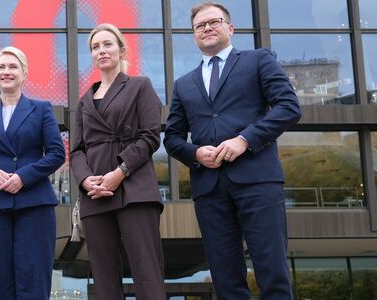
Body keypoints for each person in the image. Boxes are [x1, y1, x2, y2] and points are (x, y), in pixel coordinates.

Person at [164, 2, 301, 299]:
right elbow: (172, 138)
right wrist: (195, 154)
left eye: (214, 22)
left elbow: (289, 107)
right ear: (193, 35)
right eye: (200, 26)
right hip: (210, 190)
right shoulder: (183, 84)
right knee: (225, 279)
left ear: (230, 27)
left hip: (258, 181)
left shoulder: (258, 60)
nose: (207, 28)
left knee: (272, 272)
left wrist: (244, 140)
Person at [69, 23, 166, 299]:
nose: (101, 50)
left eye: (107, 44)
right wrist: (87, 181)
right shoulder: (84, 101)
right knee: (104, 278)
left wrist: (120, 171)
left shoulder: (140, 85)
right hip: (95, 195)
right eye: (95, 47)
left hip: (134, 188)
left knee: (146, 271)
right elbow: (76, 150)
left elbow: (150, 137)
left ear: (122, 49)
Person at [0, 46, 65, 298]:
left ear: (24, 73)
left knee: (34, 279)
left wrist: (23, 177)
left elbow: (56, 154)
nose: (6, 72)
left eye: (12, 66)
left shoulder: (41, 109)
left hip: (34, 205)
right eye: (1, 67)